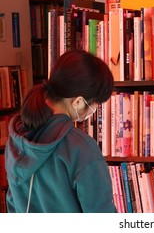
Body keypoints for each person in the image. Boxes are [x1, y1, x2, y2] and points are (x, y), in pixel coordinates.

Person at [5, 49, 117, 213]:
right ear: (78, 101)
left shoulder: (16, 138)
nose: (94, 109)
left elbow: (12, 204)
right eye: (95, 103)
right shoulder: (81, 148)